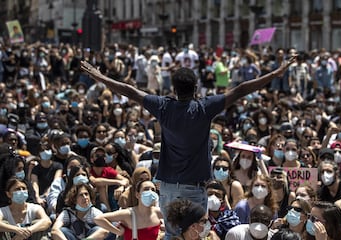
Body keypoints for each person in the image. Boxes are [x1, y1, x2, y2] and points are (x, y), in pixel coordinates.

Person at [80, 54, 296, 239]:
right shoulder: (204, 108)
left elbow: (130, 91)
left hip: (167, 189)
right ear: (195, 88)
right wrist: (275, 74)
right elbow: (240, 90)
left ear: (174, 89)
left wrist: (100, 77)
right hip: (193, 188)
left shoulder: (163, 106)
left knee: (172, 235)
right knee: (196, 235)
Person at [94, 180, 163, 240]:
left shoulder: (159, 213)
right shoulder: (128, 214)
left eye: (153, 190)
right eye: (146, 189)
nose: (150, 192)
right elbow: (98, 219)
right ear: (137, 195)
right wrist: (118, 232)